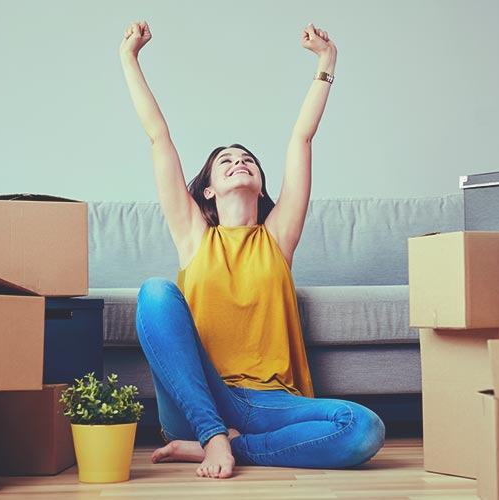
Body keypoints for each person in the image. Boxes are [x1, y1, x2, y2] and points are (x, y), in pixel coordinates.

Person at [121, 20, 385, 480]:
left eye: (247, 160)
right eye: (226, 161)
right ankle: (212, 434)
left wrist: (327, 62)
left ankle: (230, 447)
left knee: (363, 428)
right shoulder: (193, 236)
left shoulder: (278, 236)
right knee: (156, 293)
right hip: (200, 395)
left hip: (270, 403)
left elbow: (301, 138)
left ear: (261, 185)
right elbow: (158, 137)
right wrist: (129, 59)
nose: (239, 162)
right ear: (207, 191)